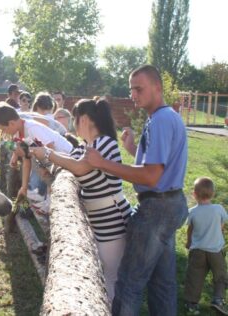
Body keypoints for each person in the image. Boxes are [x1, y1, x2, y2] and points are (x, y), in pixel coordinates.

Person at [83, 64, 188, 315]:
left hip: (156, 209)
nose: (133, 95)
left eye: (139, 89)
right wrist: (132, 149)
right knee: (163, 284)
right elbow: (160, 167)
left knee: (130, 283)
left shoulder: (161, 120)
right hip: (171, 204)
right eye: (131, 89)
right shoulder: (168, 117)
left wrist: (102, 163)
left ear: (157, 87)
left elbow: (151, 177)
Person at [28, 98, 133, 302]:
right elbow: (66, 164)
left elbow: (78, 167)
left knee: (112, 278)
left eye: (75, 119)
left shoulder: (105, 143)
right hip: (97, 221)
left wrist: (48, 153)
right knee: (103, 276)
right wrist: (44, 156)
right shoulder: (84, 146)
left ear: (84, 119)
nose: (73, 125)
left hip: (112, 221)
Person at [0, 102, 72, 207]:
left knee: (52, 181)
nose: (4, 132)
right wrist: (24, 187)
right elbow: (26, 159)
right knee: (38, 186)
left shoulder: (32, 128)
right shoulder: (18, 133)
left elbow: (51, 147)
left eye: (4, 129)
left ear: (11, 123)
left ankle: (49, 202)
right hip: (55, 159)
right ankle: (45, 201)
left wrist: (45, 168)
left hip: (67, 155)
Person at [184, 177, 228, 315]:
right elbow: (222, 225)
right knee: (220, 275)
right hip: (216, 250)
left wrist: (189, 241)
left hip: (198, 250)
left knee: (195, 276)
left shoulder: (192, 212)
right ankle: (218, 299)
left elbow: (190, 229)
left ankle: (192, 304)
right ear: (213, 194)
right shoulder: (218, 209)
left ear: (194, 194)